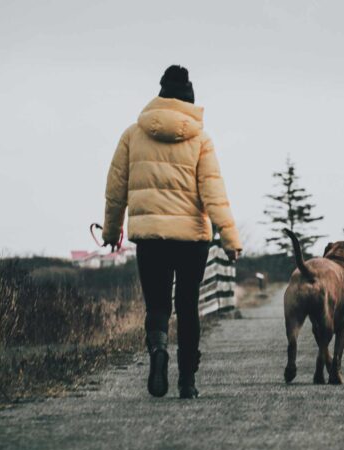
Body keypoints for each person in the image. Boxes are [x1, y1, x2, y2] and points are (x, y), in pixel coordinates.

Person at [102, 65, 242, 399]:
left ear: (160, 95)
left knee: (158, 305)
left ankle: (159, 352)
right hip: (192, 239)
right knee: (188, 305)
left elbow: (115, 188)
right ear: (189, 100)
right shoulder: (201, 139)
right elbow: (213, 192)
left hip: (150, 237)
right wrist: (230, 238)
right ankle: (187, 382)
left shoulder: (132, 134)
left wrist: (111, 231)